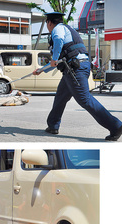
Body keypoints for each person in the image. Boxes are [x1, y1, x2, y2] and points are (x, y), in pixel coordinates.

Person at [33, 12, 122, 141]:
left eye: (47, 23)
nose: (47, 25)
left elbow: (58, 44)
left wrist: (54, 58)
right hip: (74, 68)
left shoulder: (58, 29)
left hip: (75, 69)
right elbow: (56, 61)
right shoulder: (67, 29)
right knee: (60, 97)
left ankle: (115, 126)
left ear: (50, 23)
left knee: (84, 99)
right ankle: (53, 125)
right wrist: (41, 70)